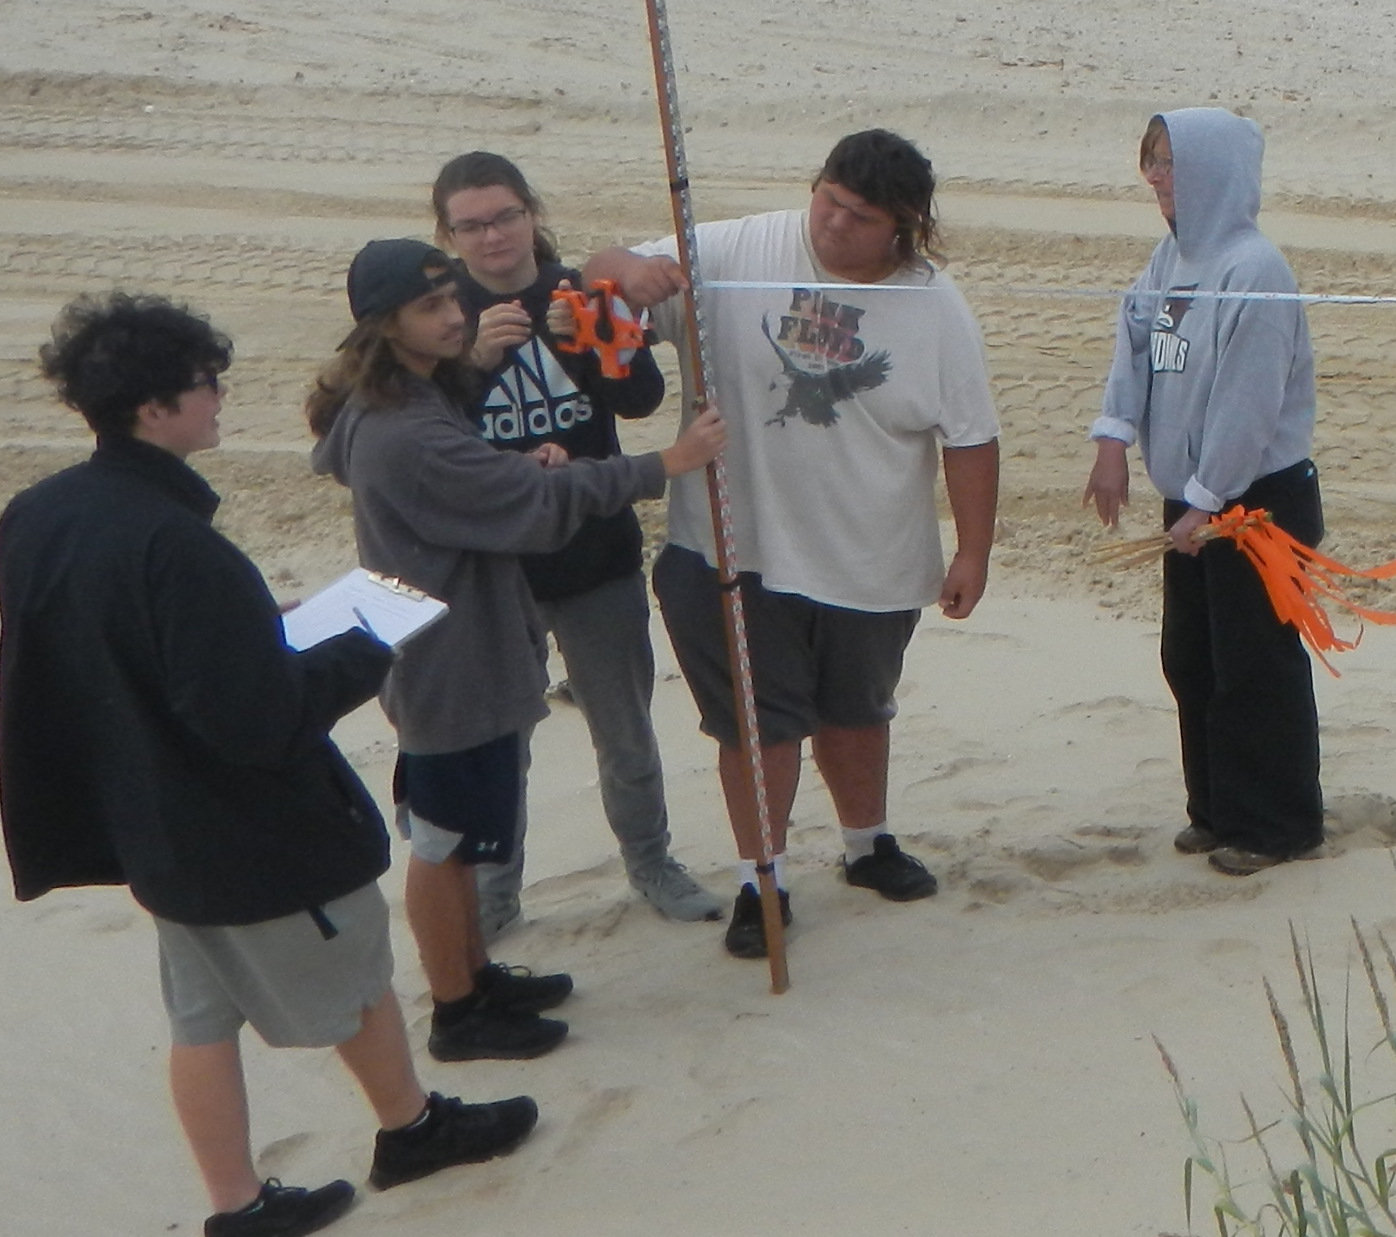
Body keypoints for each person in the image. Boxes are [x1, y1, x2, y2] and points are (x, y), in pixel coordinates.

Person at [0, 292, 543, 1237]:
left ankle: (237, 1210)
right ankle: (410, 1128)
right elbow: (255, 723)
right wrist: (365, 640)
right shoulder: (177, 545)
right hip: (250, 834)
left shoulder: (41, 515)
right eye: (206, 386)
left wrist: (254, 632)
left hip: (151, 830)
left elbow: (97, 661)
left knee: (200, 1021)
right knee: (360, 978)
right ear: (154, 409)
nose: (218, 400)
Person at [580, 132, 1000, 961]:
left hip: (870, 547)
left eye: (861, 215)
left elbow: (972, 437)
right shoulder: (742, 246)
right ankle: (760, 877)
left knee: (857, 708)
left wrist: (972, 552)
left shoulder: (934, 305)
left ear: (902, 228)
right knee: (756, 726)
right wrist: (627, 275)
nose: (835, 223)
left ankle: (866, 842)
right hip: (733, 547)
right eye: (828, 199)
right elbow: (603, 265)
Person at [307, 240, 724, 1052]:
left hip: (462, 640)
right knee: (443, 844)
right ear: (384, 327)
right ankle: (457, 1010)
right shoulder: (402, 430)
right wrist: (665, 464)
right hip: (447, 658)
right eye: (431, 307)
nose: (453, 314)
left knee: (463, 834)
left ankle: (474, 975)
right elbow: (525, 496)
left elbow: (491, 477)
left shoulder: (417, 398)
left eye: (449, 301)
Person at [430, 152, 725, 930]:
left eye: (505, 217)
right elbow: (414, 439)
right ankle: (496, 896)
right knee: (501, 744)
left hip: (595, 552)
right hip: (493, 568)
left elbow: (642, 399)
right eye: (472, 225)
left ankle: (652, 864)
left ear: (531, 214)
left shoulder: (576, 290)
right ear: (449, 235)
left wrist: (599, 341)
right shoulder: (438, 315)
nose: (492, 237)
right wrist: (474, 361)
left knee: (624, 730)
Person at [1083, 108, 1327, 874]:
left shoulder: (1254, 269)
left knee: (1253, 665)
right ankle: (1217, 809)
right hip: (1194, 501)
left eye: (1170, 164)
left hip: (1253, 502)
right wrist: (1113, 437)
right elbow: (1136, 344)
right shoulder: (1169, 259)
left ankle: (1277, 825)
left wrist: (1207, 499)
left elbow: (1247, 406)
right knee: (1191, 658)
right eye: (1149, 162)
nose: (1155, 179)